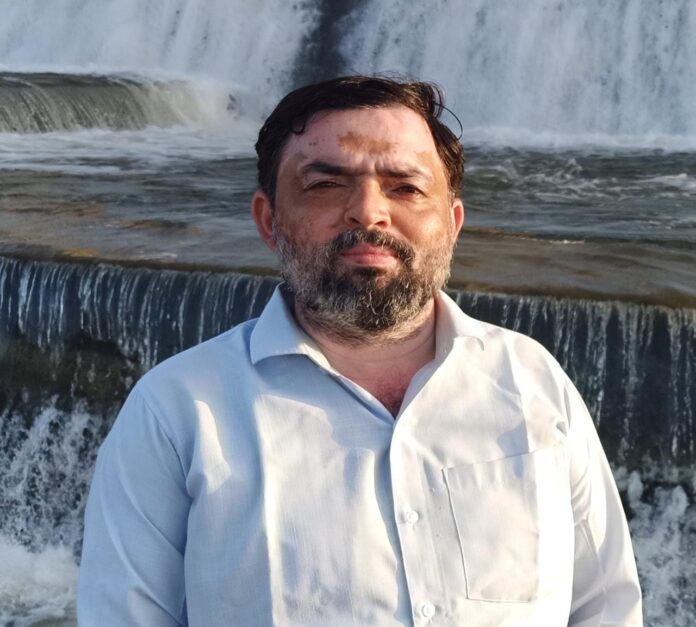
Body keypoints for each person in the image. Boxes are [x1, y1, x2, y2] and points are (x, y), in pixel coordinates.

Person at [77, 75, 642, 626]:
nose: (369, 212)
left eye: (406, 187)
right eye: (326, 184)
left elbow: (606, 608)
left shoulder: (532, 381)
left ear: (451, 223)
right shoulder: (178, 409)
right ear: (270, 220)